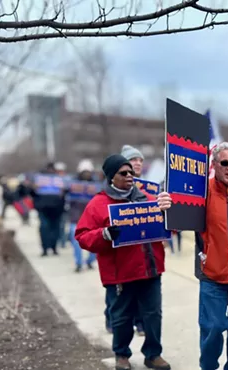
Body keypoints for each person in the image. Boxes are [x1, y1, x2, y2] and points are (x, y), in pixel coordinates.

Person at [160, 142, 228, 370]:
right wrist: (166, 208)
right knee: (212, 327)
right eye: (225, 163)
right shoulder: (200, 192)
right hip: (212, 275)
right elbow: (173, 226)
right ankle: (208, 367)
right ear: (214, 165)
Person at [75, 154, 171, 370]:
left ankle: (153, 354)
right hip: (119, 273)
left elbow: (169, 229)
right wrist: (104, 234)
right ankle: (121, 355)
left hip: (150, 268)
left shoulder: (148, 199)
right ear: (111, 177)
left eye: (131, 172)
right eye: (123, 173)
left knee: (153, 315)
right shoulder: (98, 204)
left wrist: (168, 214)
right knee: (121, 317)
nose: (130, 176)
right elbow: (82, 236)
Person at [119, 144, 147, 336]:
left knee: (144, 289)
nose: (137, 163)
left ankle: (141, 323)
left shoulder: (148, 186)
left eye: (139, 160)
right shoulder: (116, 187)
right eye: (133, 160)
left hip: (145, 246)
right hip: (122, 248)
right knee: (120, 294)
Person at [30, 162, 66, 256]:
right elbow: (32, 193)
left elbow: (65, 193)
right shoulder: (39, 178)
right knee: (44, 228)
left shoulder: (60, 179)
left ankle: (53, 247)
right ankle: (45, 248)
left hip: (57, 208)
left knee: (55, 229)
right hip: (43, 208)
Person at [69, 159, 98, 272]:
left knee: (95, 242)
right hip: (76, 217)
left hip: (92, 218)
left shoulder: (97, 185)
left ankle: (90, 261)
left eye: (88, 171)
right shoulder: (71, 183)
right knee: (75, 241)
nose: (86, 174)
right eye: (84, 171)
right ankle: (79, 263)